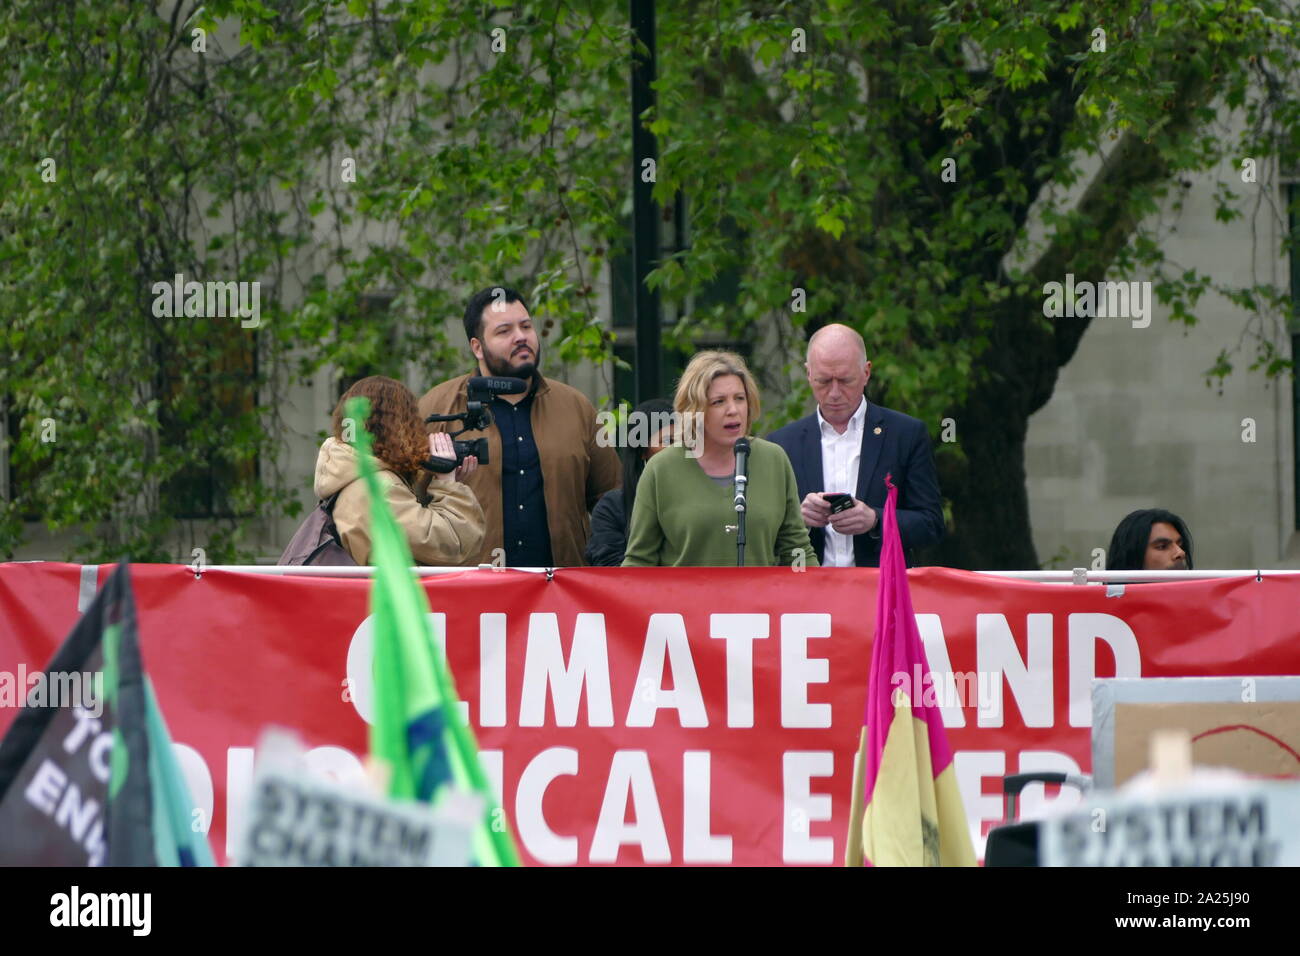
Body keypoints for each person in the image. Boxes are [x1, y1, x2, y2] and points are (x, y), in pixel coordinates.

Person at [418, 286, 620, 567]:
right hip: (470, 596)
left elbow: (610, 500)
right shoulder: (437, 409)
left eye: (526, 326)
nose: (521, 337)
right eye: (504, 331)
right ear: (477, 347)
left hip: (562, 595)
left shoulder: (576, 408)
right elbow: (406, 505)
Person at [767, 323, 944, 567]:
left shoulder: (906, 434)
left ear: (866, 372)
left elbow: (931, 525)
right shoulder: (781, 444)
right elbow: (762, 536)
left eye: (845, 380)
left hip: (881, 590)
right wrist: (798, 519)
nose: (835, 393)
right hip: (808, 592)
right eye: (823, 381)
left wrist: (875, 520)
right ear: (808, 374)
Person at [622, 351, 818, 568]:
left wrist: (816, 595)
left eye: (740, 399)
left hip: (760, 601)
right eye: (718, 402)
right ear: (695, 409)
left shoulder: (775, 459)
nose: (733, 410)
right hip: (684, 602)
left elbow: (797, 550)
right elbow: (639, 561)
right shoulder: (661, 468)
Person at [314, 376, 485, 565]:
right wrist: (447, 484)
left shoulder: (353, 476)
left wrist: (445, 483)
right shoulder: (379, 487)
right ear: (397, 425)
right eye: (412, 419)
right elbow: (451, 545)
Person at [584, 398, 675, 566]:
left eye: (686, 441)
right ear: (642, 451)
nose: (679, 450)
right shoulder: (613, 507)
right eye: (669, 441)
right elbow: (611, 571)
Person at [1106, 509, 1193, 571]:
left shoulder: (1201, 596)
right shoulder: (1101, 596)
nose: (1181, 553)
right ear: (1132, 556)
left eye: (1180, 545)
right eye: (1162, 546)